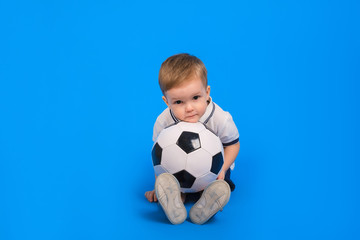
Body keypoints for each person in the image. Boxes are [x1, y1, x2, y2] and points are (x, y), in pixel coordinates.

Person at [145, 53, 240, 224]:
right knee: (170, 182)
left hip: (214, 171)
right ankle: (173, 197)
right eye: (179, 102)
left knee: (219, 184)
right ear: (167, 102)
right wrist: (157, 185)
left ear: (207, 92)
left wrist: (223, 168)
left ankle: (207, 202)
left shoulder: (220, 118)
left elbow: (233, 145)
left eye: (196, 98)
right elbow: (158, 157)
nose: (189, 108)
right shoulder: (163, 121)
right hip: (177, 173)